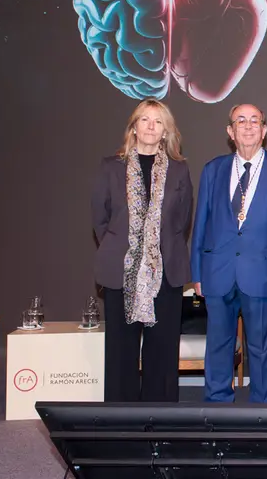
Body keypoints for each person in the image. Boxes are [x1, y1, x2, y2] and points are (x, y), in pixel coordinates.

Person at [191, 104, 267, 404]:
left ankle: (262, 410)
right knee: (218, 345)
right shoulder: (213, 170)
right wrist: (197, 273)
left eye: (255, 121)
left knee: (262, 348)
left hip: (263, 273)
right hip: (217, 271)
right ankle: (217, 407)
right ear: (230, 131)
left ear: (264, 130)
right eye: (241, 120)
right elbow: (200, 224)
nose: (248, 126)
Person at [92, 99, 193, 402]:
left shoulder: (179, 170)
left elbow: (183, 219)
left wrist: (154, 253)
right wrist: (127, 249)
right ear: (134, 127)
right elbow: (100, 220)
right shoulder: (111, 167)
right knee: (121, 351)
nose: (150, 126)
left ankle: (160, 421)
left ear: (165, 131)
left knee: (161, 351)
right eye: (144, 120)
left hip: (166, 272)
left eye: (158, 121)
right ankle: (121, 423)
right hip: (121, 273)